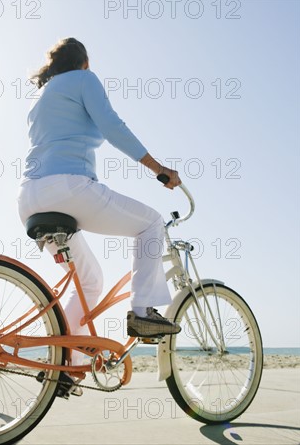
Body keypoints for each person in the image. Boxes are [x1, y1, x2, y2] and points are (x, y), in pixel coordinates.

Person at [17, 38, 181, 380]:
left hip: (30, 198)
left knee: (89, 282)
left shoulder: (41, 96)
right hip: (69, 189)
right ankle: (142, 312)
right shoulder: (83, 79)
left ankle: (66, 362)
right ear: (85, 63)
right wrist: (158, 168)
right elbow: (112, 125)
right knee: (151, 222)